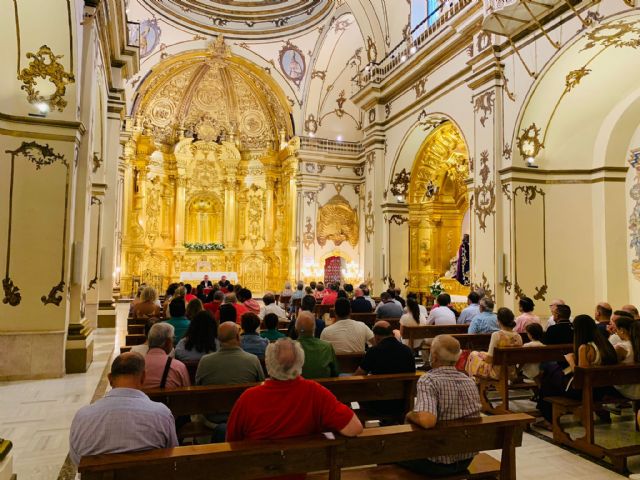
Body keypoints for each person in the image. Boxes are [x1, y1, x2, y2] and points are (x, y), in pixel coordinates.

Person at [226, 339, 363, 468]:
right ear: (301, 363)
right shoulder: (314, 392)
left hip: (256, 470)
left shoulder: (249, 398)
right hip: (298, 470)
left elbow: (231, 442)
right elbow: (354, 428)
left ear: (268, 364)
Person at [69, 352, 177, 465]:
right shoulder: (162, 414)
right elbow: (172, 456)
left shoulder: (82, 417)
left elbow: (77, 461)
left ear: (110, 379)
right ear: (144, 377)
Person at [402, 335, 480, 476]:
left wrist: (410, 414)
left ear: (435, 357)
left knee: (387, 455)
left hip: (436, 461)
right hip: (466, 458)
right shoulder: (469, 380)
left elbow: (427, 421)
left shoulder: (429, 380)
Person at [196, 322, 265, 440]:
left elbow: (198, 387)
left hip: (212, 417)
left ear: (218, 340)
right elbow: (261, 387)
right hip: (245, 417)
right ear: (238, 337)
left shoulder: (205, 361)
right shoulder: (252, 360)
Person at [466, 307, 523, 380]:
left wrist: (481, 354)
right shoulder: (518, 336)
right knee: (479, 354)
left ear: (499, 321)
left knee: (473, 354)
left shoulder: (497, 335)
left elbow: (489, 359)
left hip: (496, 372)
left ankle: (474, 380)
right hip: (511, 371)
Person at [142, 323, 191, 388]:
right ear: (168, 342)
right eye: (173, 338)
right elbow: (187, 392)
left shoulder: (138, 364)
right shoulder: (178, 367)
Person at [295, 311, 339, 378]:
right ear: (314, 328)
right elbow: (335, 373)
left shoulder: (290, 348)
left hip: (300, 388)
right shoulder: (327, 347)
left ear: (296, 328)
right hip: (324, 386)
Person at [613, 319, 640, 399]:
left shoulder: (621, 347)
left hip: (626, 389)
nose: (616, 333)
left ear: (622, 330)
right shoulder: (635, 345)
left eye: (616, 330)